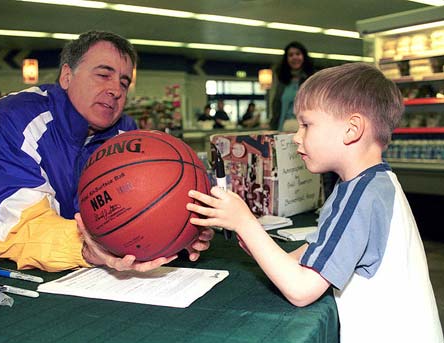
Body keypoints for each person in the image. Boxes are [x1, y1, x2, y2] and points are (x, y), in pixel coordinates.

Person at [187, 63, 443, 342]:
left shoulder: (359, 196)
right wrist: (255, 239)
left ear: (352, 129)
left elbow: (301, 289)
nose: (296, 137)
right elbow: (311, 252)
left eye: (306, 125)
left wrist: (245, 223)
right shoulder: (371, 184)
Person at [0, 31, 213, 273]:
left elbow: (132, 212)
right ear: (67, 76)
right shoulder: (12, 119)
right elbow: (15, 230)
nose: (116, 89)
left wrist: (176, 229)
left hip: (93, 272)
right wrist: (90, 249)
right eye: (103, 75)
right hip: (0, 276)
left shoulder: (125, 133)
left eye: (124, 82)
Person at [270, 41, 314, 132]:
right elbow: (276, 107)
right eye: (290, 55)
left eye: (298, 54)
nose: (294, 57)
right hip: (284, 129)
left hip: (307, 130)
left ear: (304, 57)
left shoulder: (312, 80)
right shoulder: (281, 82)